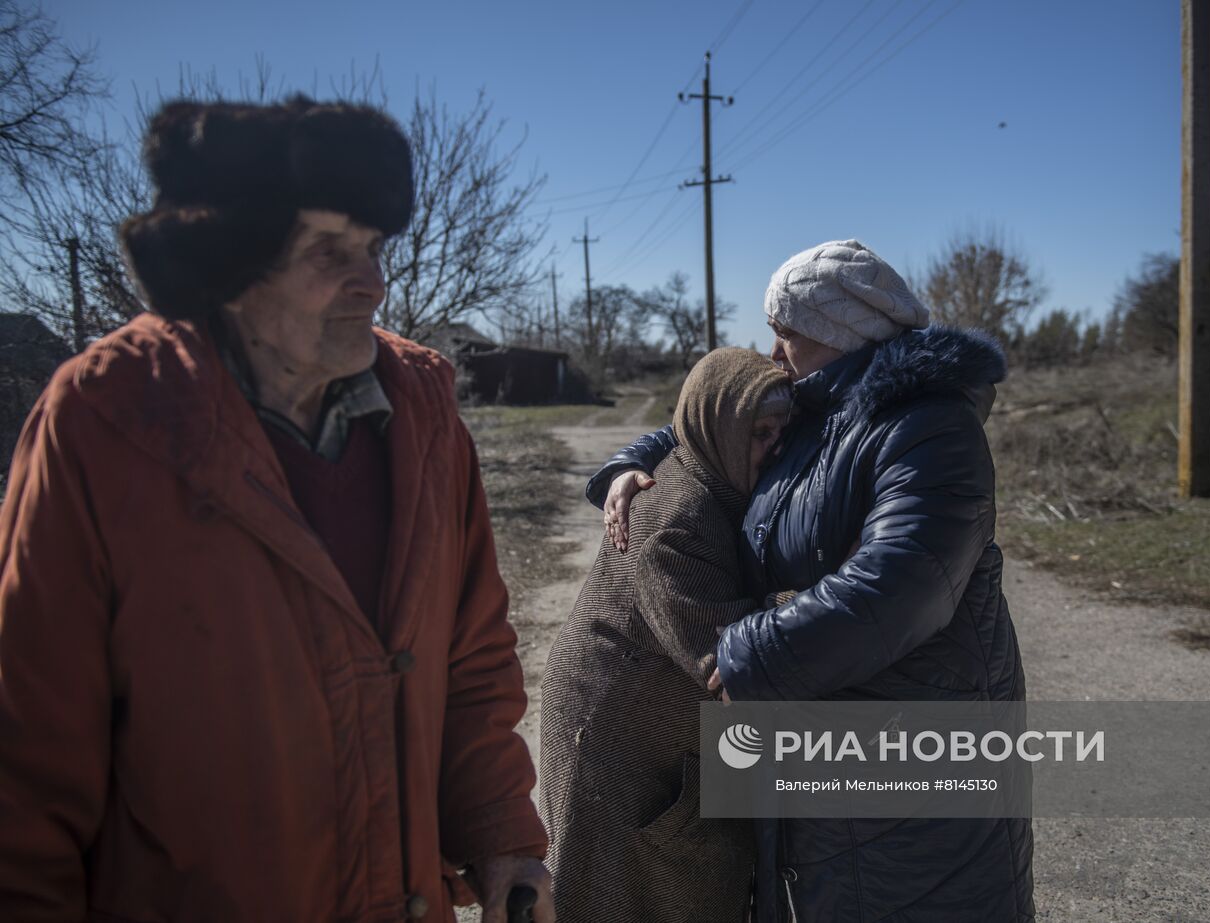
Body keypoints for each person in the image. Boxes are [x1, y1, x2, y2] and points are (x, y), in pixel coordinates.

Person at [0, 97, 554, 923]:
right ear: (234, 263)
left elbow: (471, 663)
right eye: (329, 251)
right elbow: (27, 766)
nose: (373, 280)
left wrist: (501, 831)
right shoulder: (107, 422)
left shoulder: (424, 412)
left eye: (374, 246)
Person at [590, 240, 1034, 922]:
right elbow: (709, 421)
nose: (773, 350)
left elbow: (906, 579)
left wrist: (754, 653)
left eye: (787, 331)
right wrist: (625, 466)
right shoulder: (813, 413)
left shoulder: (930, 428)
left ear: (837, 333)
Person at [541, 347, 792, 922]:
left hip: (646, 737)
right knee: (612, 893)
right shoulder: (679, 515)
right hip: (613, 742)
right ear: (717, 427)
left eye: (784, 431)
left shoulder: (714, 481)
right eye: (759, 432)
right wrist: (830, 593)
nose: (775, 446)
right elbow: (724, 657)